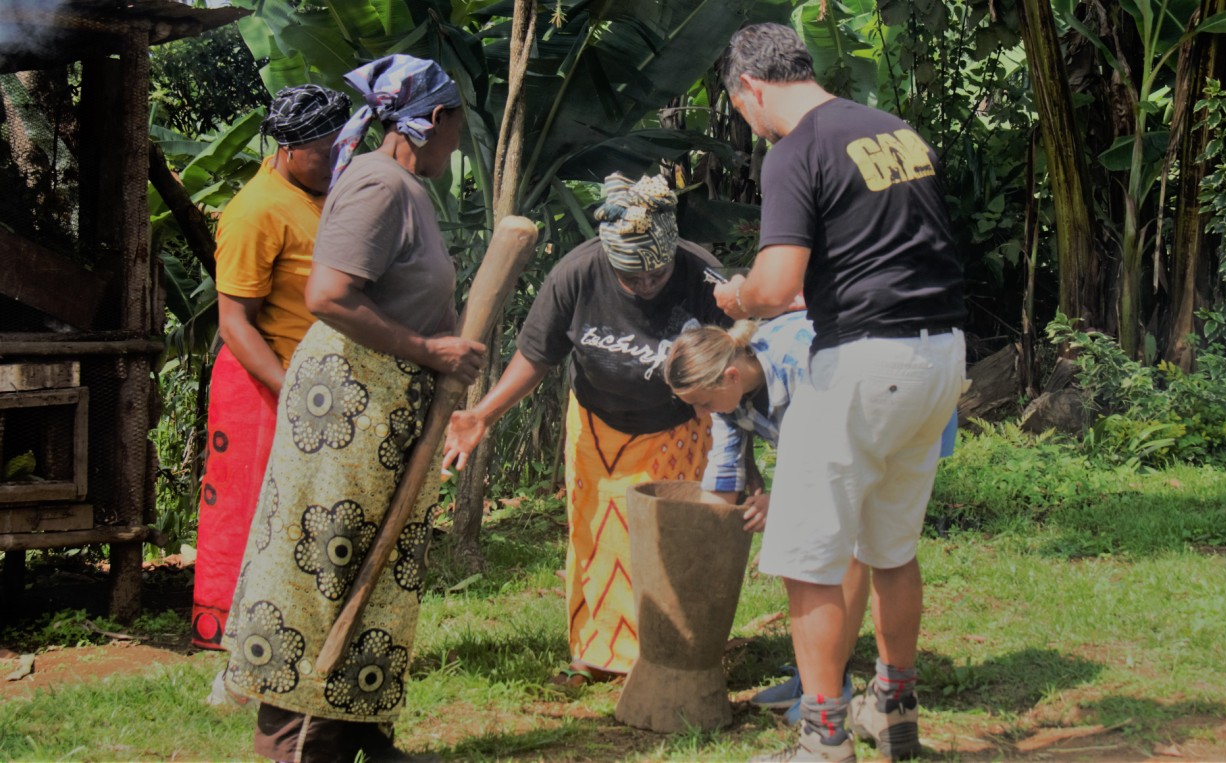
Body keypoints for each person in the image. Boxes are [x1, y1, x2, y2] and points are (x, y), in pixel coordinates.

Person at [714, 23, 967, 762]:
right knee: (890, 546)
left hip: (862, 361)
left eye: (741, 110)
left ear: (751, 89)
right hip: (940, 356)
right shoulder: (893, 132)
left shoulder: (797, 150)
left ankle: (823, 737)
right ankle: (892, 704)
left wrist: (740, 296)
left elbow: (779, 283)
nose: (749, 124)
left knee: (809, 556)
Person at [222, 54, 483, 763]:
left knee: (376, 561)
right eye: (457, 128)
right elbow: (329, 297)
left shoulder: (399, 183)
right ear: (430, 121)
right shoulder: (378, 183)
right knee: (325, 568)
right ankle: (300, 744)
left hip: (380, 404)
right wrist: (430, 349)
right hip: (350, 405)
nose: (458, 145)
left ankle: (362, 730)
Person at [442, 172, 729, 683]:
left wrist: (736, 453)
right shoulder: (575, 274)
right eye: (630, 277)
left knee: (670, 541)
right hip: (597, 426)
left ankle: (667, 651)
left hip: (679, 428)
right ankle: (596, 652)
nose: (643, 285)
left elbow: (730, 370)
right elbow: (535, 356)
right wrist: (482, 414)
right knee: (595, 534)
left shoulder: (704, 277)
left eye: (654, 275)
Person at [193, 84, 348, 665]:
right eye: (324, 151)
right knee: (248, 505)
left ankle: (288, 628)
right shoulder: (255, 210)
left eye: (341, 148)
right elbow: (235, 320)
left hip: (306, 381)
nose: (335, 161)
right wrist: (293, 393)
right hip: (260, 378)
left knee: (296, 511)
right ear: (286, 147)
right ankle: (230, 639)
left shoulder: (319, 192)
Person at [664, 314, 860, 723]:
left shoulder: (802, 359)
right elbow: (724, 470)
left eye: (702, 402)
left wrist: (783, 499)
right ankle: (812, 674)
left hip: (862, 436)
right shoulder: (729, 394)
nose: (701, 413)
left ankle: (831, 686)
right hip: (819, 456)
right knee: (800, 564)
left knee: (842, 555)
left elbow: (828, 446)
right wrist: (701, 544)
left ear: (731, 377)